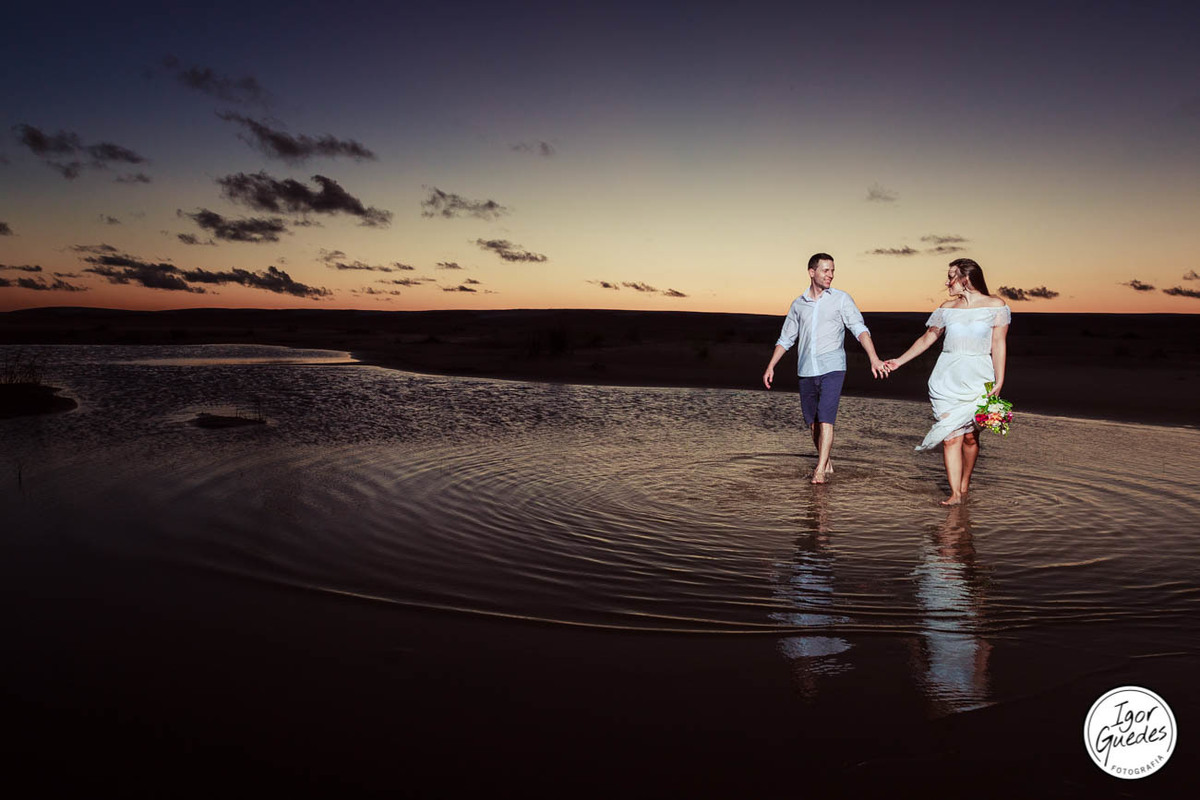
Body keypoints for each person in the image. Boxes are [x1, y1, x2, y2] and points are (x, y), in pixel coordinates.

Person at [883, 258, 1010, 505]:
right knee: (951, 437)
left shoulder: (996, 306)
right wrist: (899, 361)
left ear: (965, 278)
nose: (947, 282)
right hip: (946, 379)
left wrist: (1000, 380)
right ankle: (955, 494)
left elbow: (998, 344)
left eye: (951, 276)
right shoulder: (947, 308)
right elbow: (927, 338)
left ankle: (964, 482)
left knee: (971, 437)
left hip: (978, 378)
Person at [763, 253, 889, 484]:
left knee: (826, 418)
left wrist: (874, 358)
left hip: (833, 368)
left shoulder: (841, 299)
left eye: (832, 271)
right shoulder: (798, 304)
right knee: (812, 423)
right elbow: (786, 338)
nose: (830, 275)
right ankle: (826, 461)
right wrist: (771, 365)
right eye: (825, 270)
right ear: (812, 272)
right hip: (806, 369)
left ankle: (819, 470)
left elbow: (859, 329)